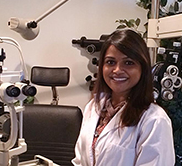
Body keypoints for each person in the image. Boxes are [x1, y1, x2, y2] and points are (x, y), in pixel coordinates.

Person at [72, 29, 175, 166]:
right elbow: (80, 160)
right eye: (110, 62)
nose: (117, 70)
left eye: (128, 63)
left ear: (142, 68)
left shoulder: (154, 120)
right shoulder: (93, 107)